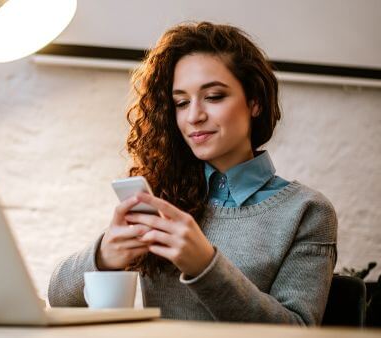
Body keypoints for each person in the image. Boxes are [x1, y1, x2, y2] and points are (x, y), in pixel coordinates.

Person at [47, 22, 337, 325]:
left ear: (255, 102)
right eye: (181, 102)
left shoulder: (307, 211)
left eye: (213, 97)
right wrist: (104, 256)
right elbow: (58, 297)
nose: (194, 116)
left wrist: (204, 265)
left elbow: (298, 330)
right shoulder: (165, 195)